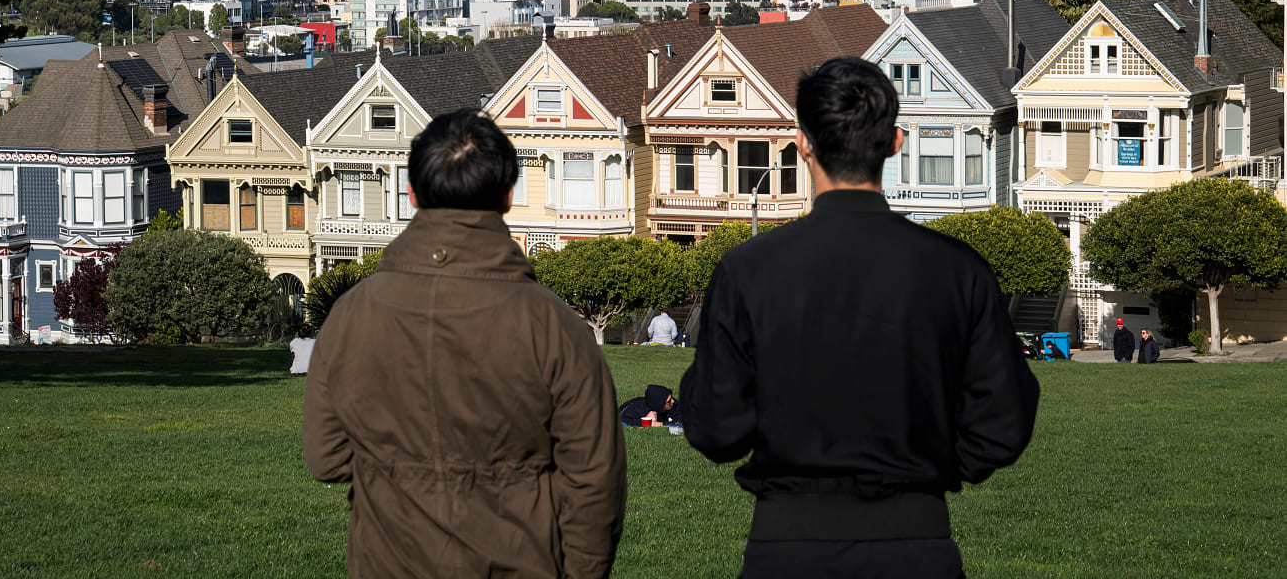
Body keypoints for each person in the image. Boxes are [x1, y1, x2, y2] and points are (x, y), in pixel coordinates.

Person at [680, 57, 1040, 579]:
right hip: (916, 540)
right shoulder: (958, 270)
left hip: (787, 546)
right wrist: (925, 470)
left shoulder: (747, 271)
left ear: (802, 142)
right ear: (896, 142)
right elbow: (1004, 421)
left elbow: (716, 429)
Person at [303, 108, 626, 579]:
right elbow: (595, 484)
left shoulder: (352, 315)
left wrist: (398, 472)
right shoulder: (554, 326)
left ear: (411, 193)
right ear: (508, 196)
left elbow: (326, 458)